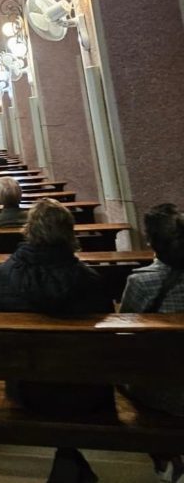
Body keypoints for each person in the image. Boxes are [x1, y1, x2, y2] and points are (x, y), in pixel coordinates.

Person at [0, 198, 114, 483]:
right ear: (70, 233)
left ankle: (67, 459)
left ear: (29, 230)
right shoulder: (90, 280)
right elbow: (106, 339)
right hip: (86, 389)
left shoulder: (6, 274)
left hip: (26, 385)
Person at [120, 203, 184, 482]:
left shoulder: (141, 282)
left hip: (163, 391)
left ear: (151, 242)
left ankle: (166, 457)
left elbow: (124, 334)